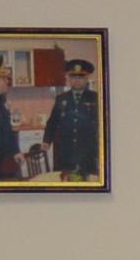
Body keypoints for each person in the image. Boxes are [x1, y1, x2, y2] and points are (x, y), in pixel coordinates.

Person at [42, 59, 99, 187]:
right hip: (66, 150)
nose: (77, 80)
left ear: (87, 78)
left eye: (81, 77)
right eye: (73, 77)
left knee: (88, 185)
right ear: (69, 79)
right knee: (65, 183)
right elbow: (53, 122)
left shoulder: (96, 98)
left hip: (87, 151)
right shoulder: (61, 98)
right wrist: (46, 140)